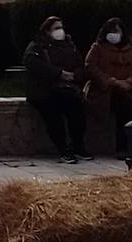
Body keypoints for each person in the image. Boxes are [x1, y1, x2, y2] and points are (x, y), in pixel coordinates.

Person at [23, 15, 90, 164]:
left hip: (65, 88)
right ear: (47, 31)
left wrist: (75, 76)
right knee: (53, 116)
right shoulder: (37, 46)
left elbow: (80, 65)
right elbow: (33, 64)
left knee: (76, 110)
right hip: (42, 91)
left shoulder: (69, 46)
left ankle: (78, 146)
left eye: (61, 27)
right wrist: (59, 73)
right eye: (56, 28)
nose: (60, 31)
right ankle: (63, 150)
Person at [85, 17, 132, 159]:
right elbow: (90, 66)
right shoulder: (98, 48)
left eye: (116, 31)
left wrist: (130, 82)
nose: (113, 34)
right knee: (124, 105)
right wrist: (110, 81)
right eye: (110, 31)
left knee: (124, 107)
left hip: (126, 90)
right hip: (104, 92)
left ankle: (127, 147)